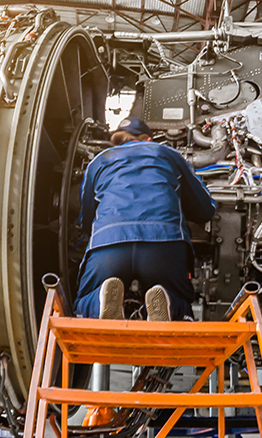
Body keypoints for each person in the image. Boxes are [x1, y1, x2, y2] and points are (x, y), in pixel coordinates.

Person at [74, 118, 217, 321]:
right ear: (148, 139)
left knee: (82, 302)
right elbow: (205, 209)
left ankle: (99, 300)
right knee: (181, 303)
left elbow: (86, 219)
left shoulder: (99, 161)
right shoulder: (167, 154)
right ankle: (167, 302)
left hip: (109, 243)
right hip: (163, 244)